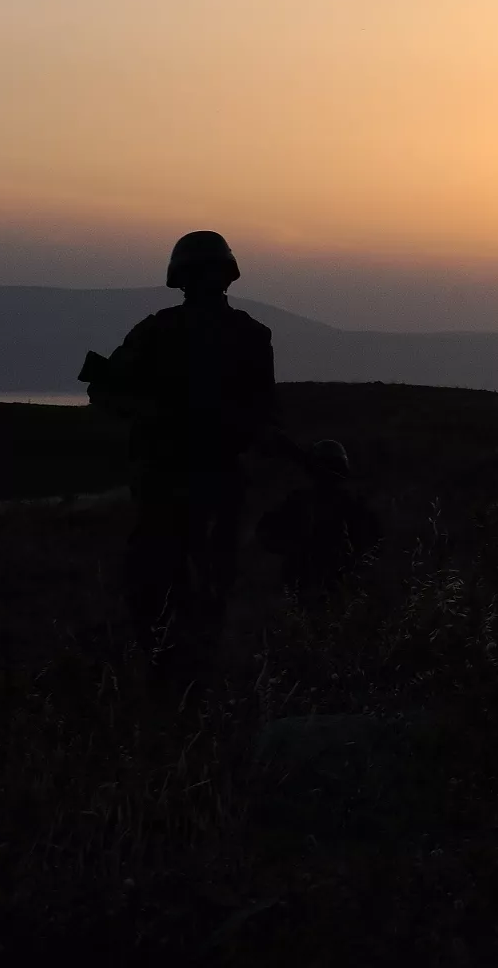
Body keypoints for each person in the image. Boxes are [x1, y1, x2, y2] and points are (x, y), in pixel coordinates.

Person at [85, 230, 315, 684]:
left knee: (180, 590)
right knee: (187, 590)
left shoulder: (166, 331)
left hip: (187, 482)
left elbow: (106, 392)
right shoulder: (236, 335)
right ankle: (181, 681)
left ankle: (180, 683)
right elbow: (107, 389)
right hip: (187, 481)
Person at [254, 439, 382, 602]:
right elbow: (266, 532)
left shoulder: (347, 505)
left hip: (331, 585)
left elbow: (373, 541)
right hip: (313, 584)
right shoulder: (303, 501)